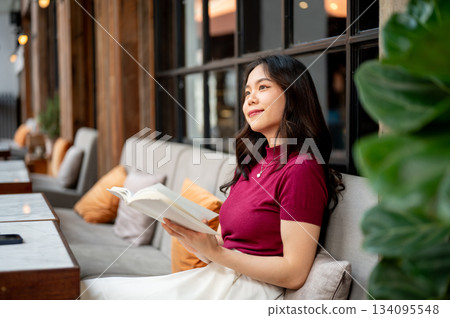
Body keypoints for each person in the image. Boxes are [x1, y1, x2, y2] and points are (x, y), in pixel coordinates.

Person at [80, 55, 343, 300]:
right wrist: (192, 239)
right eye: (247, 92)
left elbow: (295, 273)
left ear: (293, 94)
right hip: (217, 277)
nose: (249, 99)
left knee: (95, 294)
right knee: (91, 289)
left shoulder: (301, 168)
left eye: (263, 88)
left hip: (246, 292)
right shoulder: (255, 161)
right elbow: (223, 243)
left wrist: (216, 252)